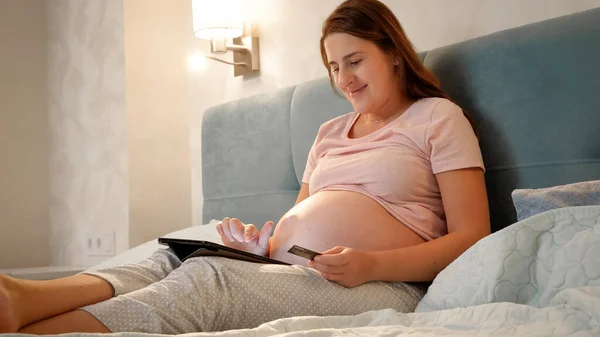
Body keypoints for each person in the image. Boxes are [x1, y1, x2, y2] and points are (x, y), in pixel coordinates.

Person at [0, 0, 490, 334]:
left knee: (209, 279)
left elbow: (472, 236)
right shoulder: (329, 133)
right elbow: (303, 218)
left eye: (354, 60)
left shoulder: (436, 119)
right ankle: (21, 299)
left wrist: (372, 264)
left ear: (394, 54)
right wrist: (260, 245)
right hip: (295, 270)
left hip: (385, 285)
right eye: (334, 67)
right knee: (171, 259)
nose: (344, 79)